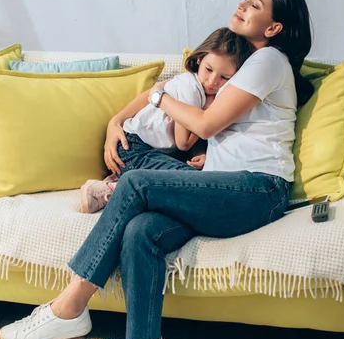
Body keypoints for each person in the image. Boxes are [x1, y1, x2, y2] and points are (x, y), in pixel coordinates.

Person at [0, 0, 314, 339]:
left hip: (258, 190)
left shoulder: (268, 59)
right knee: (140, 230)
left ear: (275, 27)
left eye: (255, 3)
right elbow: (204, 112)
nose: (242, 3)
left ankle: (69, 304)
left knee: (135, 181)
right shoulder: (246, 63)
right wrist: (121, 118)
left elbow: (203, 125)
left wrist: (158, 95)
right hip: (222, 189)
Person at [79, 27, 250, 213]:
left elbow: (192, 142)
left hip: (157, 153)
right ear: (199, 59)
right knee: (197, 181)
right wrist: (208, 111)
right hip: (134, 148)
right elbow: (183, 142)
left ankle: (120, 181)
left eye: (224, 77)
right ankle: (112, 190)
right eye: (208, 69)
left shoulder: (201, 88)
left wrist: (201, 153)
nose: (212, 81)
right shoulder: (190, 87)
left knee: (203, 175)